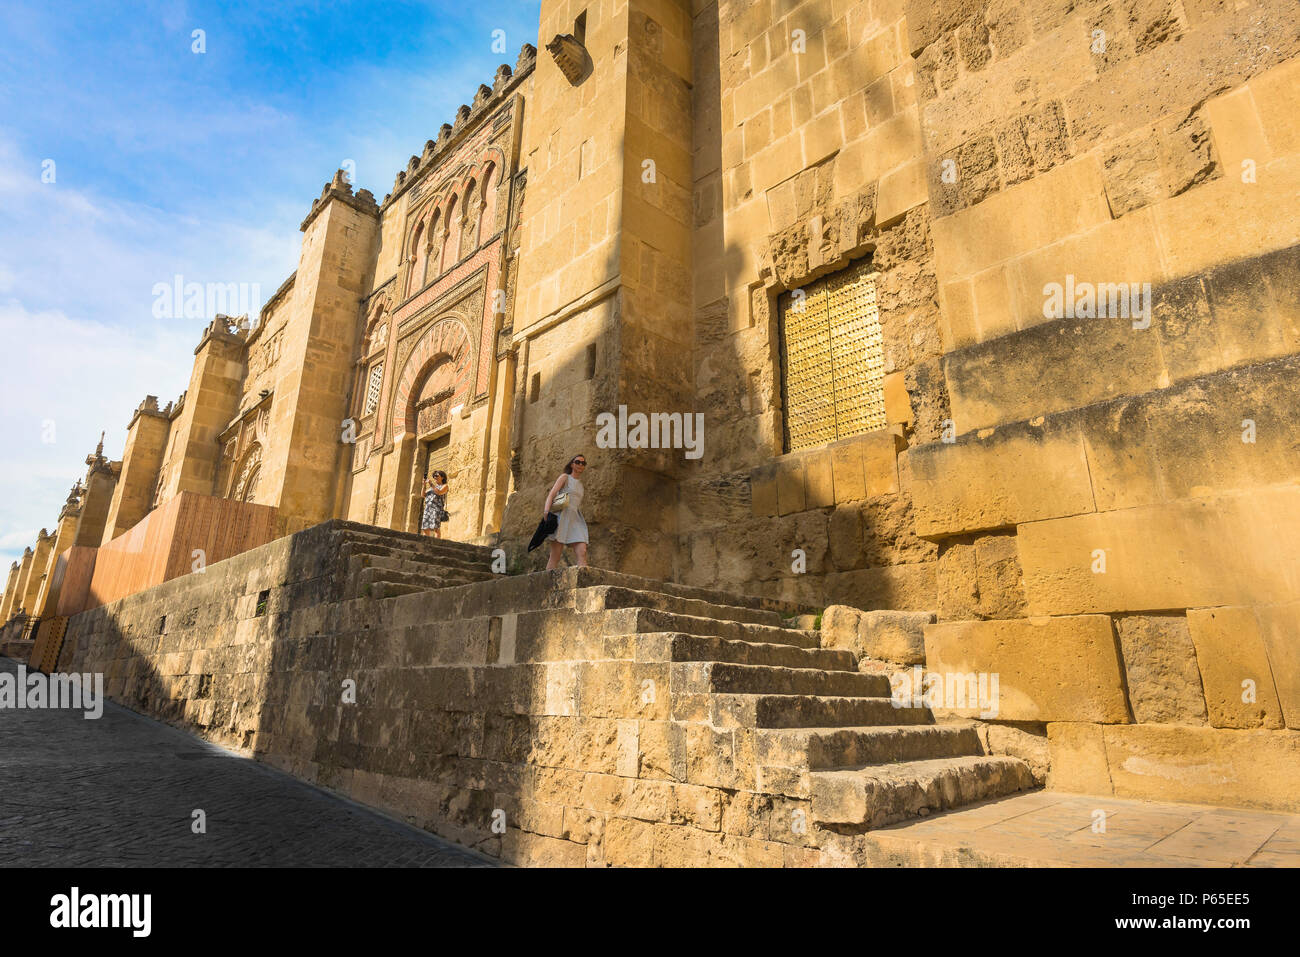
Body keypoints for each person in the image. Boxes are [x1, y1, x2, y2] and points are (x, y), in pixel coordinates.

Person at [543, 454, 588, 569]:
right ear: (572, 464)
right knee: (555, 556)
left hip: (575, 518)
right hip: (561, 517)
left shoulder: (581, 485)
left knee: (582, 551)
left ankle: (582, 582)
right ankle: (547, 584)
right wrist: (547, 510)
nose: (580, 465)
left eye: (583, 463)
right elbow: (552, 494)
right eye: (577, 462)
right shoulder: (565, 477)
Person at [421, 470, 449, 538]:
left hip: (436, 509)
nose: (434, 477)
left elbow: (439, 492)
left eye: (436, 476)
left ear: (442, 477)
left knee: (436, 528)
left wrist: (431, 484)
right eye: (434, 476)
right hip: (427, 509)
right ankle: (426, 543)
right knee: (425, 528)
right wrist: (424, 485)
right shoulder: (431, 488)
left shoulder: (445, 486)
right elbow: (423, 495)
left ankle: (436, 543)